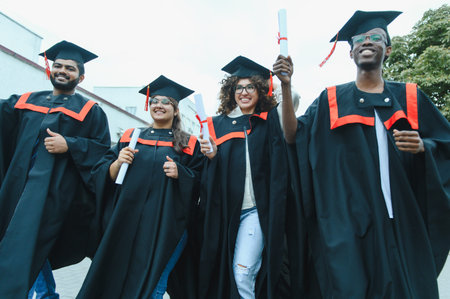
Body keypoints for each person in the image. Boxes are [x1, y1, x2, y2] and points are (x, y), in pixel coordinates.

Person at [276, 10, 450, 298]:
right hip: (350, 220)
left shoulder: (409, 97)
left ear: (388, 49)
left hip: (402, 218)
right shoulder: (331, 100)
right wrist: (285, 85)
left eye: (375, 38)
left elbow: (444, 145)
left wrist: (424, 147)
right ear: (351, 52)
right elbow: (294, 135)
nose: (366, 43)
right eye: (359, 40)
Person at [76, 75, 204, 299]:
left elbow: (203, 183)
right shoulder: (131, 137)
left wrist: (181, 174)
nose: (159, 105)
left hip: (166, 226)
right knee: (117, 279)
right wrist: (117, 162)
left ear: (175, 110)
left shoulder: (189, 144)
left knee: (154, 283)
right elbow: (100, 173)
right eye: (154, 100)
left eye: (166, 102)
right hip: (127, 222)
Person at [0, 40, 111, 298]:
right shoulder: (25, 101)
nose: (62, 71)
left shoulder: (90, 111)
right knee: (18, 245)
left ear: (81, 77)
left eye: (70, 68)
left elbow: (103, 152)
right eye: (58, 66)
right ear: (50, 70)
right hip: (17, 191)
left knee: (31, 247)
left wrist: (70, 145)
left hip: (54, 197)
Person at [198, 56, 289, 299]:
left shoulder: (270, 120)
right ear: (231, 91)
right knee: (226, 273)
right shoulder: (215, 125)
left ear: (261, 90)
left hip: (255, 212)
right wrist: (212, 157)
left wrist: (281, 82)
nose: (244, 92)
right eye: (239, 87)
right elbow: (202, 173)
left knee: (242, 272)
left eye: (250, 87)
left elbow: (296, 99)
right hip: (225, 213)